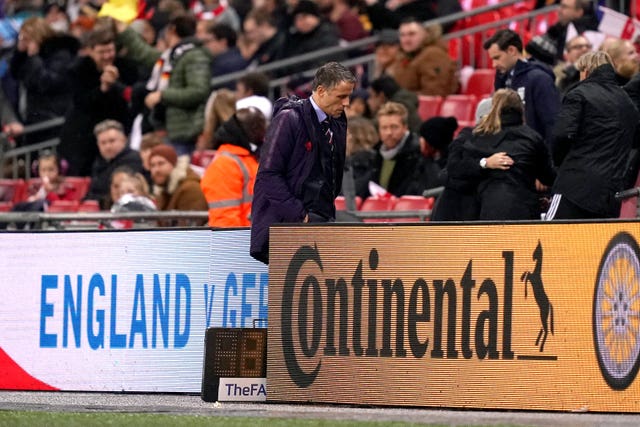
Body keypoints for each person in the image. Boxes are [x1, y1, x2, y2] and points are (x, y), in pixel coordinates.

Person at [250, 61, 356, 264]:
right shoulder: (289, 119)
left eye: (349, 96)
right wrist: (300, 216)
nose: (347, 103)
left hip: (320, 222)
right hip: (289, 227)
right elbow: (268, 175)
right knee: (290, 294)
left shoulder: (337, 121)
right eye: (341, 96)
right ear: (321, 91)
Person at [547, 51, 640, 220]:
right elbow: (634, 141)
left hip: (573, 186)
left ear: (586, 70)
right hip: (609, 193)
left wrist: (560, 164)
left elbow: (561, 135)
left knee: (552, 238)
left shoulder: (579, 93)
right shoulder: (626, 102)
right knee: (595, 244)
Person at [115, 14, 212, 155]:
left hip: (186, 132)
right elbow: (145, 53)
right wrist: (125, 31)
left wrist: (162, 95)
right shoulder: (171, 56)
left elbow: (199, 90)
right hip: (171, 129)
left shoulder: (194, 55)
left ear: (171, 30)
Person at [459, 89, 555, 220]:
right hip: (525, 211)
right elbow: (548, 177)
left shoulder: (480, 137)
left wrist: (484, 163)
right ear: (521, 109)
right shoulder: (532, 137)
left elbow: (459, 168)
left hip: (488, 209)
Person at [58, 28, 139, 176]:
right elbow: (81, 103)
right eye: (102, 52)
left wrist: (116, 85)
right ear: (90, 51)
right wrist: (102, 89)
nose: (107, 56)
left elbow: (132, 96)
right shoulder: (78, 71)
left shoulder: (127, 68)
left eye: (110, 50)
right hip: (84, 139)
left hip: (117, 133)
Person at [483, 29, 560, 147]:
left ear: (511, 50)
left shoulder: (539, 79)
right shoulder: (502, 78)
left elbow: (552, 123)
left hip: (534, 155)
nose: (494, 65)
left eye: (497, 58)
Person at [9, 16, 80, 143]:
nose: (25, 42)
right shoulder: (28, 57)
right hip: (33, 118)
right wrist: (19, 53)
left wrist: (34, 57)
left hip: (53, 118)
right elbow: (15, 74)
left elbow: (46, 82)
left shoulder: (60, 54)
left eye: (27, 39)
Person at [200, 107, 267, 227]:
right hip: (240, 240)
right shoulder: (225, 165)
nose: (266, 129)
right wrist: (235, 243)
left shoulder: (249, 158)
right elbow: (225, 219)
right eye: (260, 125)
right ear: (252, 129)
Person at [362, 101, 425, 198]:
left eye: (394, 127)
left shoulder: (418, 154)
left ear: (405, 127)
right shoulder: (374, 154)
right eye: (384, 128)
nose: (389, 132)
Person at [85, 120, 144, 209]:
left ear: (124, 140)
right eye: (103, 143)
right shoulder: (98, 163)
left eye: (112, 141)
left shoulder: (133, 159)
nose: (107, 146)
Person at [393, 18, 459, 97]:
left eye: (412, 34)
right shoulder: (405, 57)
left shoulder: (433, 55)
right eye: (402, 35)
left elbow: (434, 93)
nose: (406, 40)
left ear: (426, 34)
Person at [149, 143, 208, 214]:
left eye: (161, 163)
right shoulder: (164, 190)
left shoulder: (191, 189)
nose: (156, 170)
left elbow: (192, 224)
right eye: (152, 165)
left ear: (174, 164)